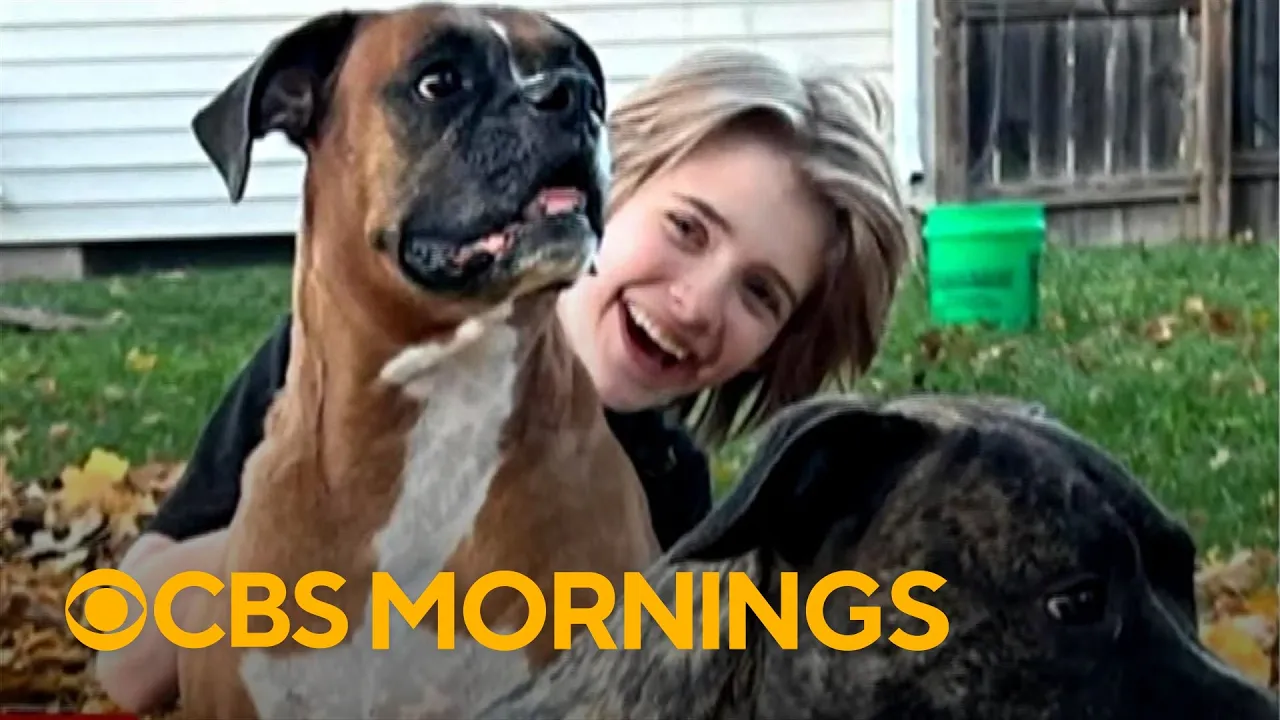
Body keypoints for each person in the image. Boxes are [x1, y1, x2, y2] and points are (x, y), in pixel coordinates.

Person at [95, 46, 916, 713]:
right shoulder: (345, 368)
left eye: (759, 294)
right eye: (686, 229)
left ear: (777, 348)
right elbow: (128, 665)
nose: (698, 303)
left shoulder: (667, 495)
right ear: (610, 178)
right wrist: (347, 522)